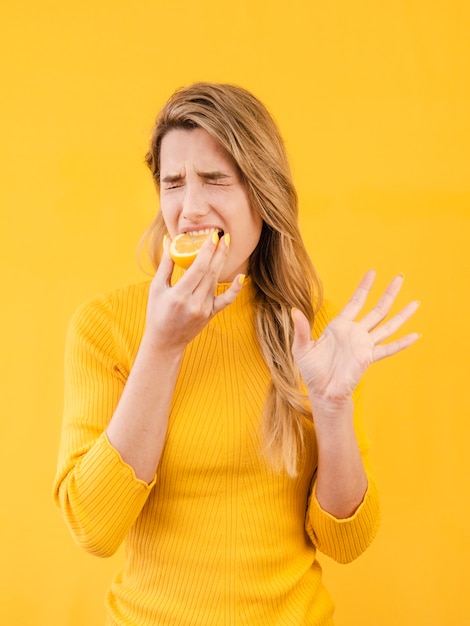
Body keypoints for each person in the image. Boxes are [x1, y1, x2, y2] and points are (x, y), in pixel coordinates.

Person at [53, 82, 420, 625]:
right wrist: (163, 345)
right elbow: (93, 527)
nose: (190, 208)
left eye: (215, 180)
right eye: (173, 183)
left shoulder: (315, 333)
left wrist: (333, 408)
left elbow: (345, 542)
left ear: (262, 194)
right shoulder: (106, 328)